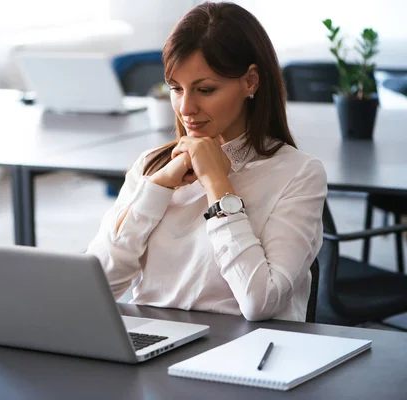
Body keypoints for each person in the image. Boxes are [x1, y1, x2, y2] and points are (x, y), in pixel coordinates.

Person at [86, 1, 327, 322]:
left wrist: (219, 187)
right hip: (155, 350)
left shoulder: (299, 174)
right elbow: (95, 289)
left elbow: (260, 303)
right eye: (175, 88)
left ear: (250, 81)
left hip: (247, 355)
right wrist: (156, 188)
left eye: (205, 89)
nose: (186, 107)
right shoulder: (151, 166)